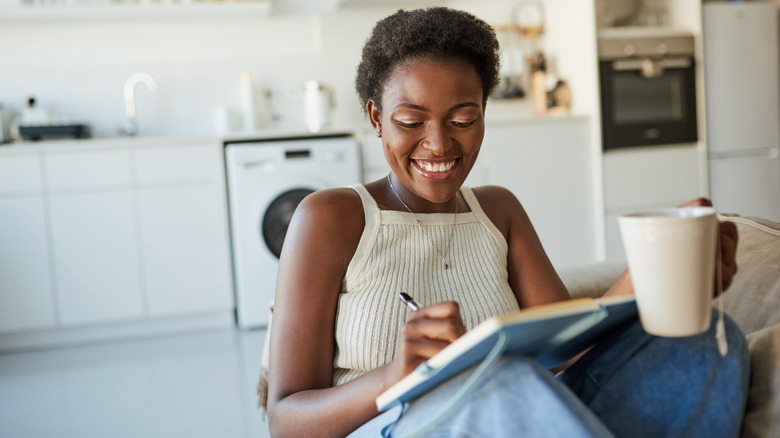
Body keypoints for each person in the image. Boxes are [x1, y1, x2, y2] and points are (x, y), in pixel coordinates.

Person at [266, 7, 748, 438]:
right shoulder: (331, 218)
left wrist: (660, 273)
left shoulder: (499, 210)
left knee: (706, 340)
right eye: (411, 121)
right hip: (399, 424)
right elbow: (285, 420)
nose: (438, 144)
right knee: (501, 378)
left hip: (517, 412)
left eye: (463, 119)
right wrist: (396, 374)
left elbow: (568, 347)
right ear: (376, 117)